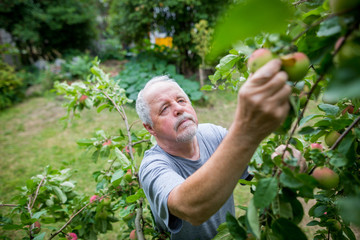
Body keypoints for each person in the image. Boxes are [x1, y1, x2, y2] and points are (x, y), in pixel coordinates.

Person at [135, 59, 291, 239]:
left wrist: (281, 161)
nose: (178, 108)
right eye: (164, 109)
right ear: (150, 128)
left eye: (181, 100)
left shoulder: (213, 133)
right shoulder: (152, 167)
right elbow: (190, 208)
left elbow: (259, 169)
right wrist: (246, 131)